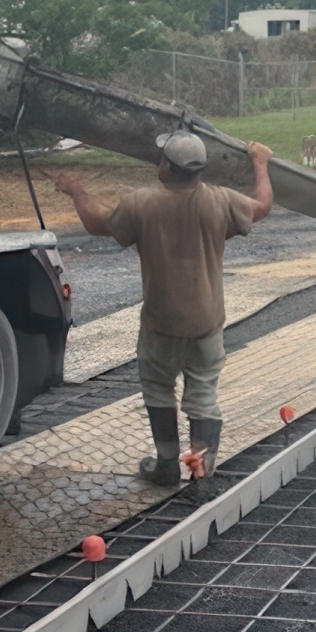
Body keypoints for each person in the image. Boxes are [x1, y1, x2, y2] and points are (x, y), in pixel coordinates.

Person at [54, 130, 274, 486]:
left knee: (158, 388)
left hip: (160, 324)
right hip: (206, 322)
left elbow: (98, 224)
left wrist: (77, 192)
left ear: (169, 168)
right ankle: (201, 467)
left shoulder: (142, 204)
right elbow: (262, 205)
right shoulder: (220, 201)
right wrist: (260, 163)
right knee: (202, 393)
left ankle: (168, 465)